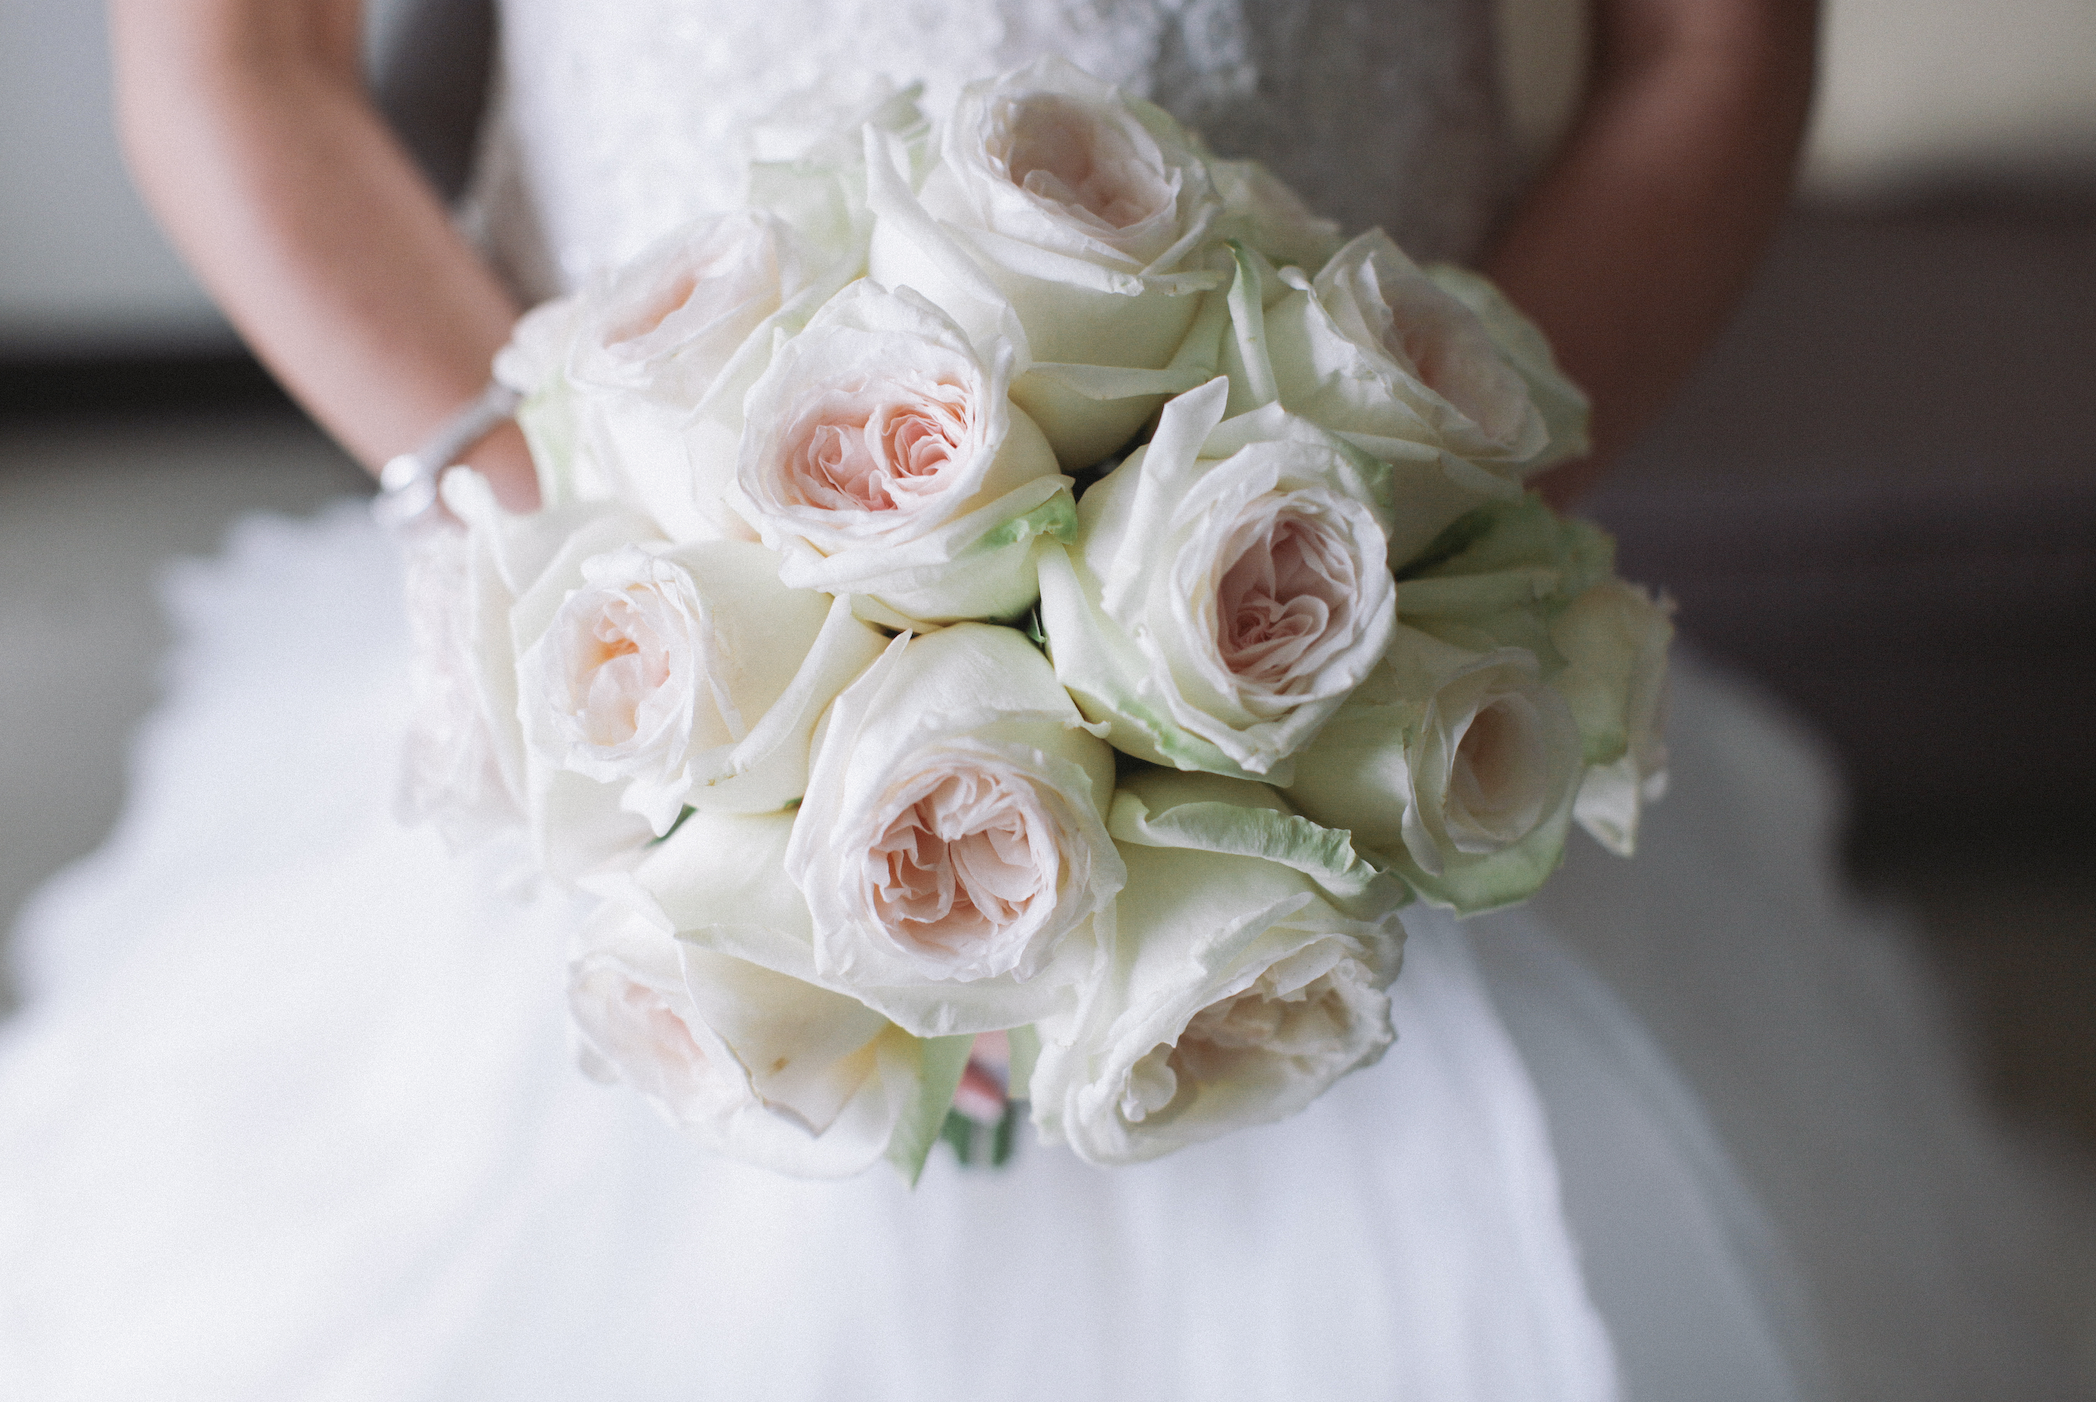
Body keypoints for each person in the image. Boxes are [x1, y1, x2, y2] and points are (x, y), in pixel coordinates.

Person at [0, 1, 2078, 1398]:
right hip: (635, 645)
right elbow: (231, 66)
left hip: (1362, 661)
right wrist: (636, 571)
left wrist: (1435, 543)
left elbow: (1712, 45)